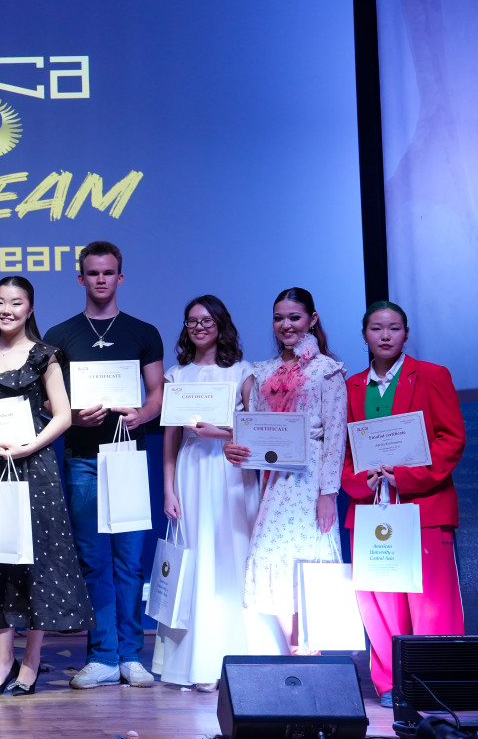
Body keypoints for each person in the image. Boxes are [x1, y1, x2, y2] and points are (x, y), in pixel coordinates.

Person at [0, 276, 94, 696]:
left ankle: (31, 663)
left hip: (34, 468)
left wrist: (27, 447)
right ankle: (3, 663)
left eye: (16, 303)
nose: (7, 310)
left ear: (30, 309)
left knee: (37, 562)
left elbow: (63, 415)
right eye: (0, 302)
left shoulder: (44, 355)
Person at [43, 241, 164, 688]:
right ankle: (102, 656)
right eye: (92, 273)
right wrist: (75, 416)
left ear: (120, 277)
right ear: (81, 278)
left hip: (128, 455)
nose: (100, 279)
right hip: (82, 459)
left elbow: (157, 394)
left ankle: (131, 655)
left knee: (129, 562)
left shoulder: (143, 332)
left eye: (108, 272)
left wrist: (142, 415)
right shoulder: (60, 334)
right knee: (93, 561)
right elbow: (48, 402)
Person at [340, 301, 466, 708]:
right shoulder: (351, 386)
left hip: (423, 504)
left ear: (406, 334)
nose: (385, 335)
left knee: (431, 603)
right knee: (379, 601)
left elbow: (451, 438)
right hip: (371, 507)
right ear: (364, 335)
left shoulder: (431, 375)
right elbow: (344, 451)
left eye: (394, 327)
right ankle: (390, 683)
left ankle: (435, 685)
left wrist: (407, 476)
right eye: (376, 328)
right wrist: (358, 481)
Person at [153, 295, 280, 691]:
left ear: (221, 324)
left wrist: (221, 433)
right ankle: (201, 662)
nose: (199, 327)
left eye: (207, 320)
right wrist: (168, 490)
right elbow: (170, 439)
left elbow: (257, 427)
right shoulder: (176, 375)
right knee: (198, 557)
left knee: (235, 554)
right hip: (192, 472)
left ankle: (246, 656)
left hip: (232, 471)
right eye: (192, 321)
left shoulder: (243, 371)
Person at [224, 287, 347, 653]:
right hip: (275, 480)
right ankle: (295, 649)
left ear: (312, 319)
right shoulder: (263, 371)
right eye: (279, 318)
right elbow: (253, 428)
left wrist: (328, 494)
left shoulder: (327, 370)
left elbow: (336, 436)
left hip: (311, 479)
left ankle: (310, 648)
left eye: (294, 317)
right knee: (272, 556)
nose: (286, 325)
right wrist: (235, 448)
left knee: (308, 557)